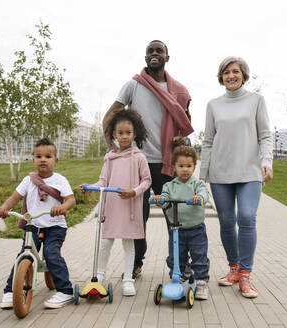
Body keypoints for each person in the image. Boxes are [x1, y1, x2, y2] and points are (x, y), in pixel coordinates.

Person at [103, 40, 194, 278]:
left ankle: (180, 264)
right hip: (137, 162)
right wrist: (111, 146)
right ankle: (136, 264)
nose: (154, 54)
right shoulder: (134, 85)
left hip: (167, 162)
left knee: (174, 215)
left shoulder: (180, 91)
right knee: (137, 218)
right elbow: (111, 114)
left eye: (159, 51)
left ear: (167, 57)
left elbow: (184, 127)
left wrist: (182, 140)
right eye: (150, 51)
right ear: (145, 58)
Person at [200, 56, 273, 298]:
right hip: (220, 172)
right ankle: (233, 267)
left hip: (250, 171)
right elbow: (208, 140)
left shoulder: (256, 101)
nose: (231, 75)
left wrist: (266, 161)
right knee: (227, 221)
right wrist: (203, 174)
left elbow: (265, 135)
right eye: (226, 72)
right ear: (221, 77)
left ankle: (245, 274)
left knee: (247, 217)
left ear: (243, 74)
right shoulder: (213, 105)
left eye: (236, 71)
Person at [0, 138, 76, 309]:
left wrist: (61, 207)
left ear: (56, 160)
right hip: (34, 226)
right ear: (33, 160)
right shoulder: (28, 180)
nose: (43, 159)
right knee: (23, 255)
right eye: (38, 156)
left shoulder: (60, 180)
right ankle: (10, 291)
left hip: (55, 226)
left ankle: (66, 291)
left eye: (48, 156)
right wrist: (3, 209)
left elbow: (71, 201)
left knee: (51, 253)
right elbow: (14, 198)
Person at [81, 108, 151, 296]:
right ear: (114, 134)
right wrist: (91, 187)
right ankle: (100, 275)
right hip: (112, 207)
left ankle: (128, 278)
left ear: (134, 133)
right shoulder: (109, 158)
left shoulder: (139, 157)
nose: (125, 137)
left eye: (128, 133)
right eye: (120, 133)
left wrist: (134, 192)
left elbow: (147, 181)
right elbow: (103, 181)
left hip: (130, 206)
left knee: (129, 244)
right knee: (105, 243)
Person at [152, 142, 210, 300]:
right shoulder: (169, 186)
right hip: (176, 229)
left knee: (199, 256)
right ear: (174, 167)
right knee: (175, 257)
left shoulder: (197, 184)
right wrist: (159, 199)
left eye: (189, 166)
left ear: (194, 167)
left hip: (196, 229)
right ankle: (178, 278)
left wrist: (199, 198)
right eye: (181, 165)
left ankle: (202, 282)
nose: (185, 169)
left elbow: (204, 194)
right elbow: (164, 200)